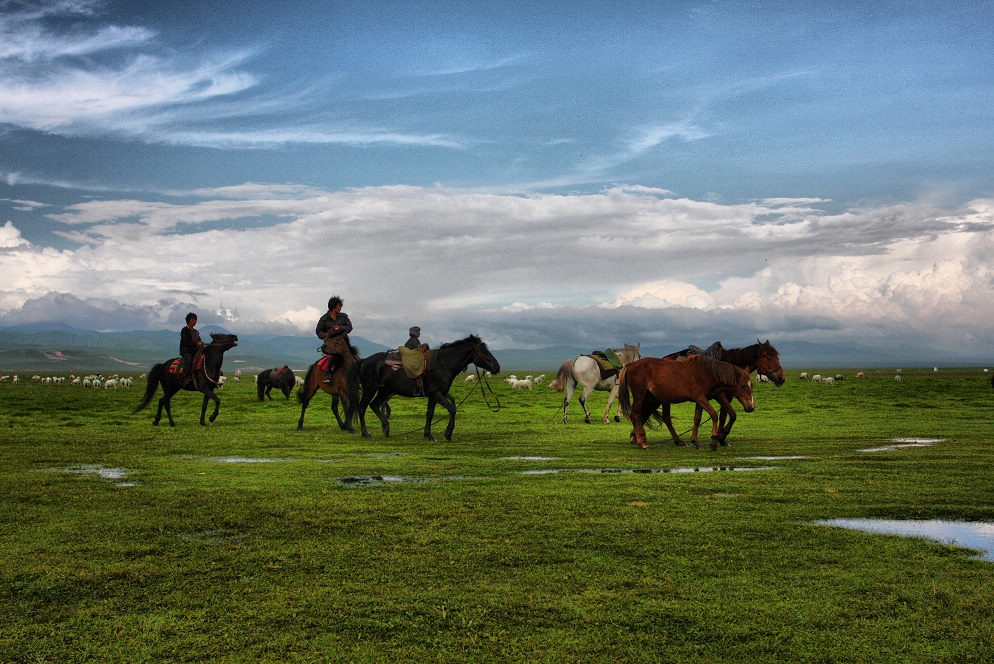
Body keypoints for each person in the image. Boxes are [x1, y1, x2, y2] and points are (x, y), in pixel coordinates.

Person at [315, 296, 353, 382]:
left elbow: (349, 327)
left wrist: (339, 328)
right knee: (334, 355)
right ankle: (327, 375)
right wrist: (325, 335)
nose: (340, 308)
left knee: (353, 356)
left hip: (343, 342)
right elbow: (318, 331)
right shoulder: (324, 319)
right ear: (334, 307)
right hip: (330, 343)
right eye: (339, 306)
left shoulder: (343, 317)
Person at [179, 312, 203, 384]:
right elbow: (186, 341)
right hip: (187, 351)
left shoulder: (196, 332)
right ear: (189, 320)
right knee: (189, 361)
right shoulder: (184, 330)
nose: (195, 321)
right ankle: (184, 378)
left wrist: (201, 343)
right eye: (193, 320)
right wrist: (196, 343)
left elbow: (199, 340)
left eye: (196, 320)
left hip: (195, 351)